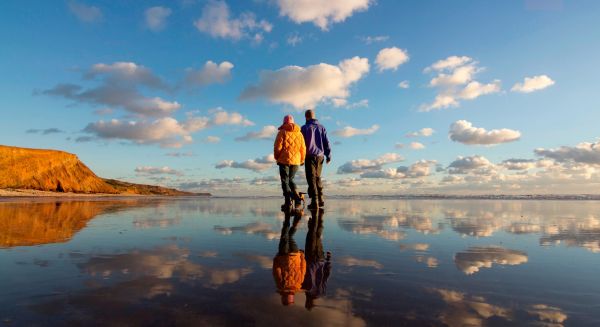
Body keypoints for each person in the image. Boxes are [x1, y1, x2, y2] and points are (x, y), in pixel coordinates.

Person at [272, 209, 305, 306]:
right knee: (284, 236)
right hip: (283, 256)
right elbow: (276, 270)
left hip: (295, 254)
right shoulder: (281, 286)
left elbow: (303, 268)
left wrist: (301, 256)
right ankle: (287, 217)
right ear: (283, 297)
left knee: (290, 237)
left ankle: (296, 220)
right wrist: (276, 258)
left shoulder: (299, 285)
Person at [274, 114, 306, 210]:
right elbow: (303, 148)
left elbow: (277, 147)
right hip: (296, 160)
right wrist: (302, 159)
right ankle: (297, 198)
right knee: (291, 179)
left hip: (284, 159)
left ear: (284, 122)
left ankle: (288, 202)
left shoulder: (282, 132)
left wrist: (277, 157)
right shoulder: (299, 133)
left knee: (285, 180)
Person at [302, 208, 332, 310]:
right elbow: (326, 275)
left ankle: (318, 217)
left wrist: (328, 260)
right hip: (316, 259)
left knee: (316, 236)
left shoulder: (316, 291)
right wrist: (328, 260)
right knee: (313, 235)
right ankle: (316, 215)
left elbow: (326, 275)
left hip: (317, 259)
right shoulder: (307, 289)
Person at [301, 109, 331, 209]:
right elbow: (326, 142)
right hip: (320, 156)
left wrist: (300, 158)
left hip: (309, 156)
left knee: (311, 178)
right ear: (314, 116)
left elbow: (301, 145)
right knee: (317, 177)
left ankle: (315, 201)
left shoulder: (304, 128)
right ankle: (321, 199)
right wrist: (328, 155)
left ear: (306, 117)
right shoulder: (322, 127)